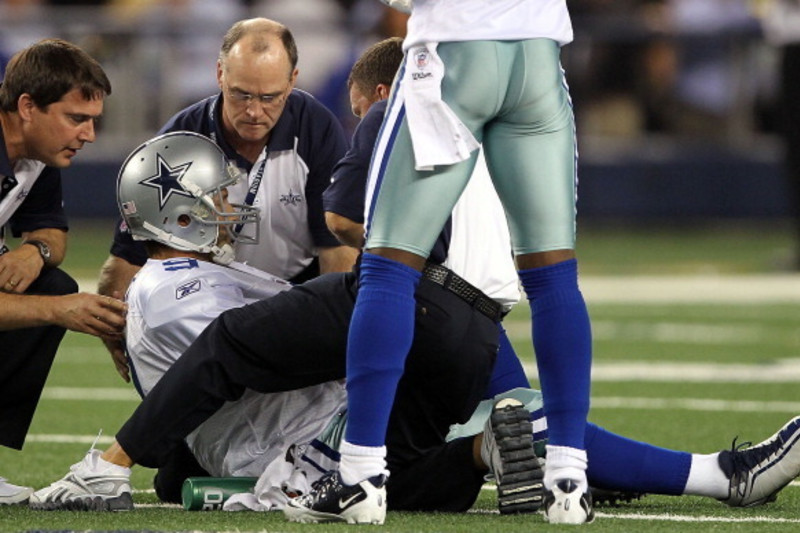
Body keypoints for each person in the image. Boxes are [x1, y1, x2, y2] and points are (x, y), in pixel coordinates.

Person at [28, 37, 800, 522]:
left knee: (273, 359)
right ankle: (701, 472)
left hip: (410, 302)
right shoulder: (517, 100)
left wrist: (125, 455)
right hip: (483, 309)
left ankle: (335, 472)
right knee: (519, 421)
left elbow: (311, 279)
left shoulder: (383, 111)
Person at [294, 0, 597, 525]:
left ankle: (360, 476)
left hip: (456, 52)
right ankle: (568, 481)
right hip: (539, 59)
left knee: (388, 269)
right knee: (553, 278)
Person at [97, 17, 356, 382]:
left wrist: (334, 336)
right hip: (204, 302)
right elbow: (125, 259)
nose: (253, 111)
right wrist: (118, 336)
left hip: (296, 296)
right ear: (219, 73)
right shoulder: (177, 141)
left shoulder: (316, 127)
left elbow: (338, 253)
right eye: (241, 94)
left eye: (270, 98)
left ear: (292, 80)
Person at [0, 38, 126, 505]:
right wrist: (57, 311)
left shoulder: (37, 152)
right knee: (52, 300)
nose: (89, 135)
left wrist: (34, 251)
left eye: (93, 120)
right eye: (76, 119)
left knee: (50, 281)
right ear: (27, 106)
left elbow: (52, 232)